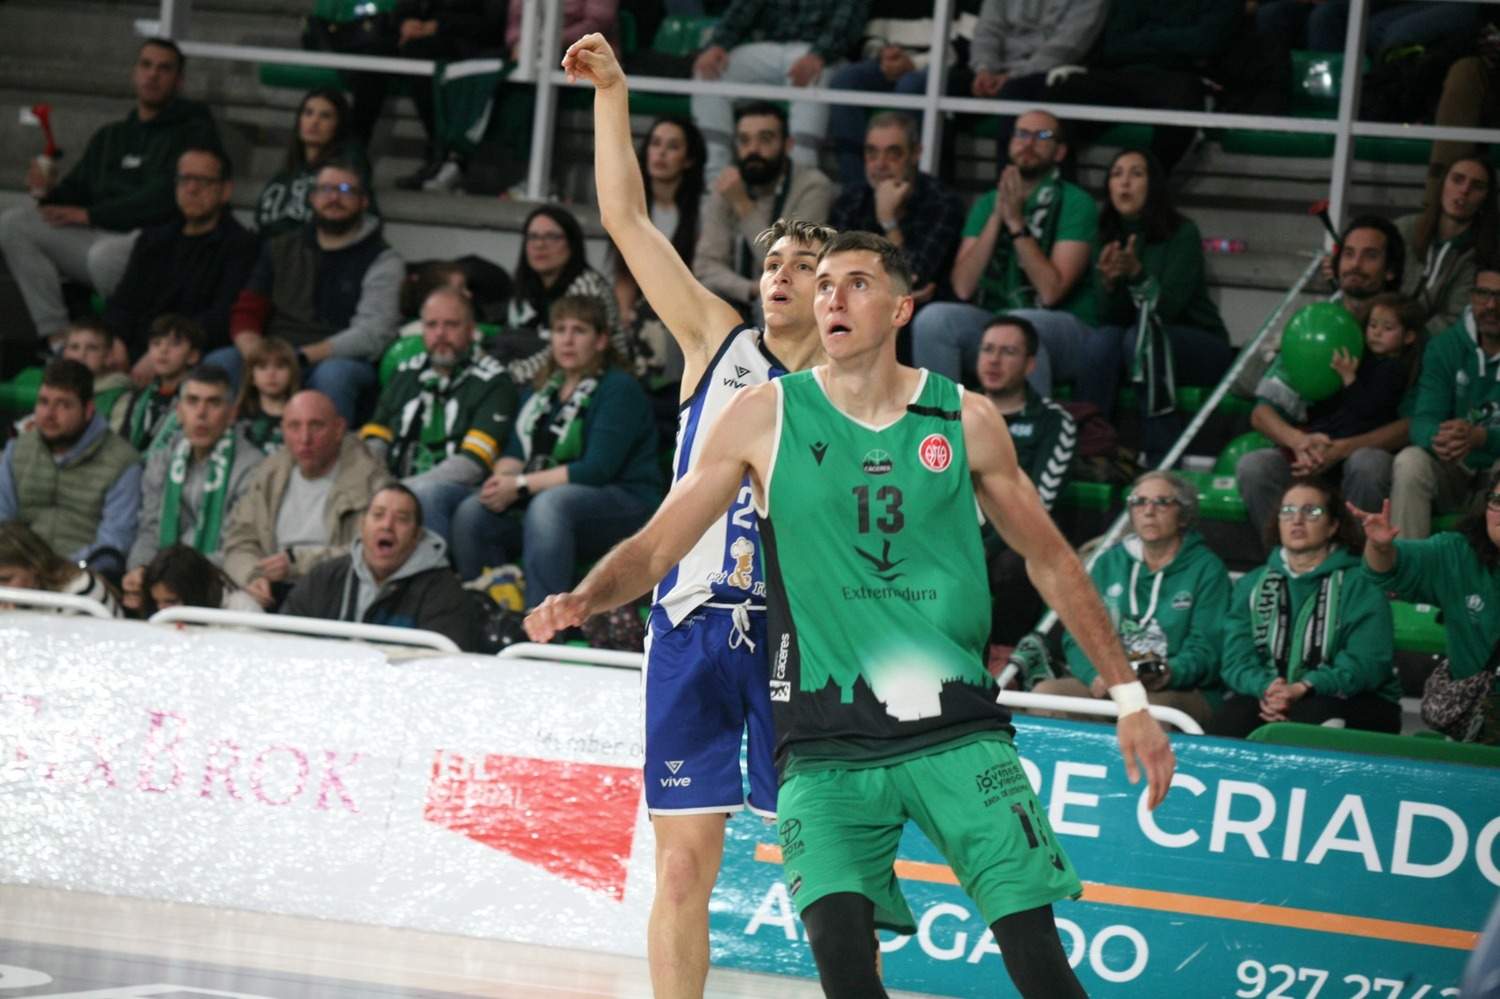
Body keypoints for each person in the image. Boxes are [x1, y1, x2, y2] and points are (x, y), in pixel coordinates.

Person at [524, 227, 1174, 998]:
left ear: (903, 308)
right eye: (823, 283)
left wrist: (1129, 697)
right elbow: (660, 542)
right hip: (826, 745)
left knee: (1037, 958)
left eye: (856, 282)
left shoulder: (961, 419)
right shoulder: (764, 416)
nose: (832, 296)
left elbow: (1053, 560)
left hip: (954, 729)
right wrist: (585, 595)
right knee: (839, 953)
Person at [564, 33, 831, 999]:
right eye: (773, 260)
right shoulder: (716, 341)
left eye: (804, 264)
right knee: (681, 869)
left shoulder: (853, 397)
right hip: (687, 627)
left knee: (831, 878)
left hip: (799, 643)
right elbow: (627, 218)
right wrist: (613, 94)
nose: (779, 274)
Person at [0, 38, 220, 351]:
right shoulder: (111, 135)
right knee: (15, 223)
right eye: (145, 65)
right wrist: (47, 191)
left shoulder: (193, 131)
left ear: (179, 80)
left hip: (150, 241)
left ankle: (121, 342)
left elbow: (164, 198)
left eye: (164, 68)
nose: (152, 75)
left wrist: (92, 215)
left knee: (105, 257)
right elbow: (76, 191)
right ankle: (59, 339)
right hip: (96, 235)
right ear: (134, 73)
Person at [449, 295, 663, 601]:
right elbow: (514, 451)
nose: (567, 340)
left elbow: (596, 469)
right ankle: (491, 615)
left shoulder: (619, 388)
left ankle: (543, 629)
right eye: (560, 329)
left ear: (601, 340)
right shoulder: (542, 388)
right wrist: (503, 480)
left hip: (625, 501)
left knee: (550, 506)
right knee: (474, 512)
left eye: (579, 330)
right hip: (544, 496)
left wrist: (520, 485)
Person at [911, 110, 1101, 400]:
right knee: (933, 320)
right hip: (997, 320)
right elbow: (963, 286)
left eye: (1043, 136)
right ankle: (941, 432)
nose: (1029, 143)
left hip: (1067, 330)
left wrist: (1015, 224)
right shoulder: (989, 202)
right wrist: (997, 217)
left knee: (1021, 325)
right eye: (1021, 133)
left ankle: (1027, 439)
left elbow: (1051, 292)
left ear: (1060, 151)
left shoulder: (1076, 203)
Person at [1035, 472, 1231, 732]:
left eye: (1162, 502)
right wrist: (1095, 674)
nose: (1149, 511)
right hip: (1110, 680)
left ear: (1183, 514)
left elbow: (1207, 648)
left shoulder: (1207, 569)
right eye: (1139, 502)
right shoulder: (1108, 563)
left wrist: (1169, 673)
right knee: (1046, 696)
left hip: (1177, 687)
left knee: (1148, 713)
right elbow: (1078, 633)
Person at [1208, 478, 1401, 738]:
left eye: (1311, 511)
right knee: (1228, 722)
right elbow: (1235, 659)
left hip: (1355, 700)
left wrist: (1303, 687)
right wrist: (1268, 689)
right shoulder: (1252, 584)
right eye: (1287, 511)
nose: (1296, 520)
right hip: (1271, 696)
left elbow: (1368, 663)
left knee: (1310, 718)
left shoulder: (1361, 583)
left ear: (1333, 525)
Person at [224, 161, 403, 423]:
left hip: (338, 357)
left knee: (335, 376)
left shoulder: (383, 260)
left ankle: (329, 461)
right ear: (311, 198)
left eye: (345, 190)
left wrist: (300, 357)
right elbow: (248, 309)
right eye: (325, 189)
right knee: (222, 362)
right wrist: (257, 353)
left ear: (363, 202)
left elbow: (372, 334)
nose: (334, 197)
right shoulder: (280, 247)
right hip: (275, 351)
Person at [1090, 149, 1234, 461]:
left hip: (1199, 344)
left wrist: (1136, 273)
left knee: (1142, 341)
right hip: (1138, 342)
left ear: (1153, 184)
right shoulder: (1104, 235)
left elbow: (1169, 309)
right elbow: (1107, 317)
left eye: (1136, 174)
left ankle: (1163, 456)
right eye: (1116, 174)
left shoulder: (1182, 233)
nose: (1124, 182)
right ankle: (1092, 448)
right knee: (1101, 342)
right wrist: (1110, 283)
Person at [1238, 292, 1424, 534]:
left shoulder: (1399, 371)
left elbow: (1375, 412)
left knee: (1367, 464)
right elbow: (1261, 414)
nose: (1376, 333)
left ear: (1409, 336)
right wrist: (1302, 444)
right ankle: (1285, 560)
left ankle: (1358, 561)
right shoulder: (1337, 345)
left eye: (1387, 328)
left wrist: (1350, 382)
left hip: (1361, 454)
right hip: (1319, 443)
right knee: (1253, 466)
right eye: (1372, 326)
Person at [1352, 474, 1500, 744]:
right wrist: (1380, 547)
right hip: (1480, 726)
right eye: (1497, 501)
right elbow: (1387, 570)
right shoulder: (1458, 554)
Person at [362, 287, 518, 543]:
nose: (440, 334)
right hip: (393, 483)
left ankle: (431, 578)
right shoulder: (405, 373)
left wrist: (399, 491)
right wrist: (376, 481)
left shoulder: (494, 382)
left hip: (460, 491)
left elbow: (471, 465)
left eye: (451, 325)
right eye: (432, 325)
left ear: (471, 329)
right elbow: (376, 436)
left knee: (427, 493)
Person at [222, 390, 389, 610]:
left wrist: (298, 563)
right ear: (283, 430)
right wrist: (253, 576)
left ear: (339, 429)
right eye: (294, 426)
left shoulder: (371, 481)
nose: (305, 438)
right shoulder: (269, 473)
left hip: (336, 591)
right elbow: (239, 539)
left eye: (316, 426)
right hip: (271, 589)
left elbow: (374, 551)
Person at [123, 365, 266, 608]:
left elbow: (236, 548)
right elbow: (149, 529)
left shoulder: (252, 467)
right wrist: (140, 568)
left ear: (232, 413)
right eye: (192, 401)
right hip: (163, 582)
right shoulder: (161, 459)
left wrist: (174, 576)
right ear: (179, 411)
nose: (201, 413)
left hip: (219, 582)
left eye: (213, 403)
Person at [102, 146, 259, 364]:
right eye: (184, 179)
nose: (192, 188)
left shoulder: (241, 246)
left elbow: (221, 318)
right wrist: (116, 339)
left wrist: (162, 352)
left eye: (203, 181)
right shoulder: (153, 239)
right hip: (133, 349)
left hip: (189, 355)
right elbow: (124, 300)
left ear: (225, 190)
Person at [280, 483, 479, 652]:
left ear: (417, 535)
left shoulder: (443, 592)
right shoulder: (324, 577)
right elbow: (282, 642)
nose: (387, 526)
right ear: (362, 524)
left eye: (401, 519)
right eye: (378, 515)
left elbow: (442, 669)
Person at [975, 317, 1076, 648]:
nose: (993, 360)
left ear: (1030, 364)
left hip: (1010, 541)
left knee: (1019, 561)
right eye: (988, 349)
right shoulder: (949, 413)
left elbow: (1038, 505)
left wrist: (980, 550)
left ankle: (1006, 656)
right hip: (958, 535)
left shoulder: (1053, 422)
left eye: (1008, 352)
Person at [690, 0, 871, 178]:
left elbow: (846, 24)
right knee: (710, 71)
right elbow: (740, 10)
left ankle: (801, 179)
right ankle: (714, 177)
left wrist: (819, 54)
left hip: (824, 54)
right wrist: (717, 45)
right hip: (769, 48)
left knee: (812, 78)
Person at [0, 359, 141, 579]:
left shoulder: (123, 462)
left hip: (85, 575)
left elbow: (115, 540)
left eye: (64, 404)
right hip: (18, 574)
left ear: (88, 410)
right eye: (44, 402)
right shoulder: (17, 449)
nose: (49, 414)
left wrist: (62, 571)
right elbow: (3, 518)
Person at [693, 102, 834, 320]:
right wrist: (750, 290)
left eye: (765, 139)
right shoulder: (725, 186)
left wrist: (743, 206)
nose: (753, 150)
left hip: (795, 302)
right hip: (739, 296)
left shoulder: (812, 187)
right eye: (744, 141)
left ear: (787, 145)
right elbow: (706, 267)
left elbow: (792, 267)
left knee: (775, 302)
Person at [1390, 260, 1500, 539]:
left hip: (1495, 467)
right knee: (1410, 461)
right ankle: (1407, 574)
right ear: (1472, 296)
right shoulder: (1445, 346)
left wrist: (1481, 437)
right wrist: (1442, 437)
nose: (1490, 306)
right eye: (1482, 294)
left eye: (1499, 297)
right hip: (1455, 468)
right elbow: (1424, 418)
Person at [351, 1, 510, 191]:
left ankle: (440, 151)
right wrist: (406, 22)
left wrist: (438, 26)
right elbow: (405, 8)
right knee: (374, 53)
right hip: (418, 38)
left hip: (464, 43)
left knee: (418, 50)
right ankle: (353, 150)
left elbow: (493, 25)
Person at [825, 4, 977, 188]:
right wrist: (882, 55)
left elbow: (967, 45)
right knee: (844, 81)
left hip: (946, 67)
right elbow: (872, 34)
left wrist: (915, 63)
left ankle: (911, 192)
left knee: (911, 86)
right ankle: (856, 190)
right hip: (889, 63)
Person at [828, 112, 965, 312]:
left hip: (917, 316)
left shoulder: (942, 203)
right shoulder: (851, 200)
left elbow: (914, 278)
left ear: (916, 154)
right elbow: (831, 268)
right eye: (872, 153)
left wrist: (888, 221)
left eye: (893, 154)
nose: (880, 164)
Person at [611, 114, 706, 383]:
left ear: (688, 160)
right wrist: (623, 315)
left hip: (685, 305)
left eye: (673, 146)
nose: (661, 153)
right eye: (656, 143)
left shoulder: (702, 211)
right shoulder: (629, 205)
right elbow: (623, 273)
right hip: (641, 306)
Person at [499, 205, 622, 383]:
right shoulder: (529, 287)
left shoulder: (587, 288)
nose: (540, 244)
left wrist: (506, 375)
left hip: (597, 378)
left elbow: (564, 351)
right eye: (533, 237)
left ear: (572, 244)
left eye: (552, 237)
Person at [967, 0, 1109, 150]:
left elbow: (1068, 46)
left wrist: (1013, 76)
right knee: (947, 85)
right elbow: (987, 30)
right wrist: (984, 69)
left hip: (1050, 71)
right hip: (997, 68)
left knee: (1015, 91)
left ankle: (1011, 171)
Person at [254, 88, 373, 238]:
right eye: (308, 113)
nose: (314, 122)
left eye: (325, 116)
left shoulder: (345, 173)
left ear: (339, 125)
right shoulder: (283, 176)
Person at [1398, 156, 1497, 335]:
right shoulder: (1403, 230)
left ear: (1486, 199)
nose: (1464, 190)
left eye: (1477, 186)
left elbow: (1456, 317)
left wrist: (1408, 339)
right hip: (1379, 334)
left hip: (1433, 348)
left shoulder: (1485, 254)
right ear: (1443, 184)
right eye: (1457, 180)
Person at [110, 314, 203, 453]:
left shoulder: (197, 399)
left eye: (174, 344)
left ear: (192, 356)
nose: (163, 350)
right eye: (156, 343)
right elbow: (123, 440)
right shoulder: (139, 397)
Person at [0, 521, 123, 617]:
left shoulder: (80, 591)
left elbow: (69, 647)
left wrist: (13, 622)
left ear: (35, 567)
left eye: (5, 579)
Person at [141, 543, 263, 616]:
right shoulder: (158, 615)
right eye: (157, 602)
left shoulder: (242, 612)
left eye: (171, 602)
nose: (161, 612)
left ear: (195, 591)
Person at [235, 336, 301, 452]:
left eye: (280, 366)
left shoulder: (303, 416)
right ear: (251, 377)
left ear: (292, 375)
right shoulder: (239, 416)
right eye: (262, 367)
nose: (271, 374)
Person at [60, 320, 132, 423]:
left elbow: (118, 437)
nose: (81, 354)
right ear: (65, 355)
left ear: (108, 356)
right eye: (74, 347)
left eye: (92, 348)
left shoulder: (121, 397)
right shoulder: (55, 392)